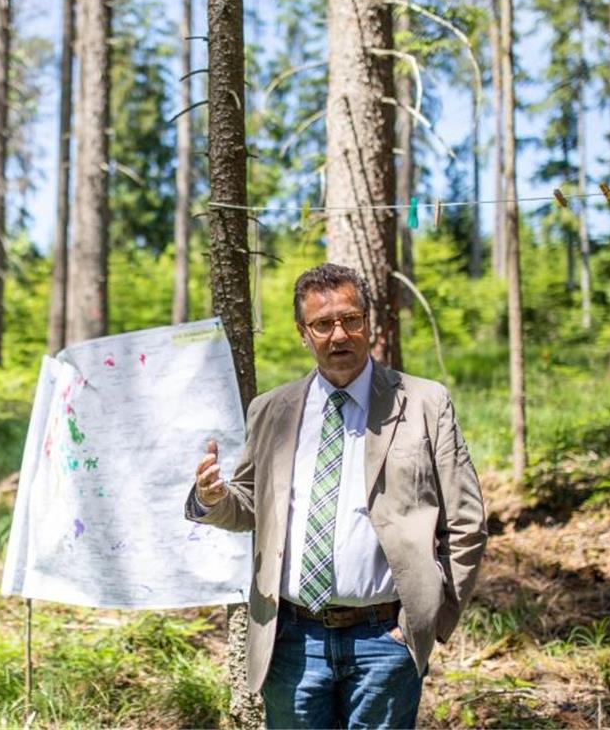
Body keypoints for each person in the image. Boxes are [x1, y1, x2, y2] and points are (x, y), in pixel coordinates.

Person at [186, 263, 488, 728]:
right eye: (322, 324)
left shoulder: (424, 403)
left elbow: (466, 521)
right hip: (292, 639)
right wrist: (212, 499)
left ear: (370, 322)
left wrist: (432, 614)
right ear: (303, 333)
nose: (339, 335)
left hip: (385, 640)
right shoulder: (271, 410)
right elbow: (249, 504)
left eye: (351, 319)